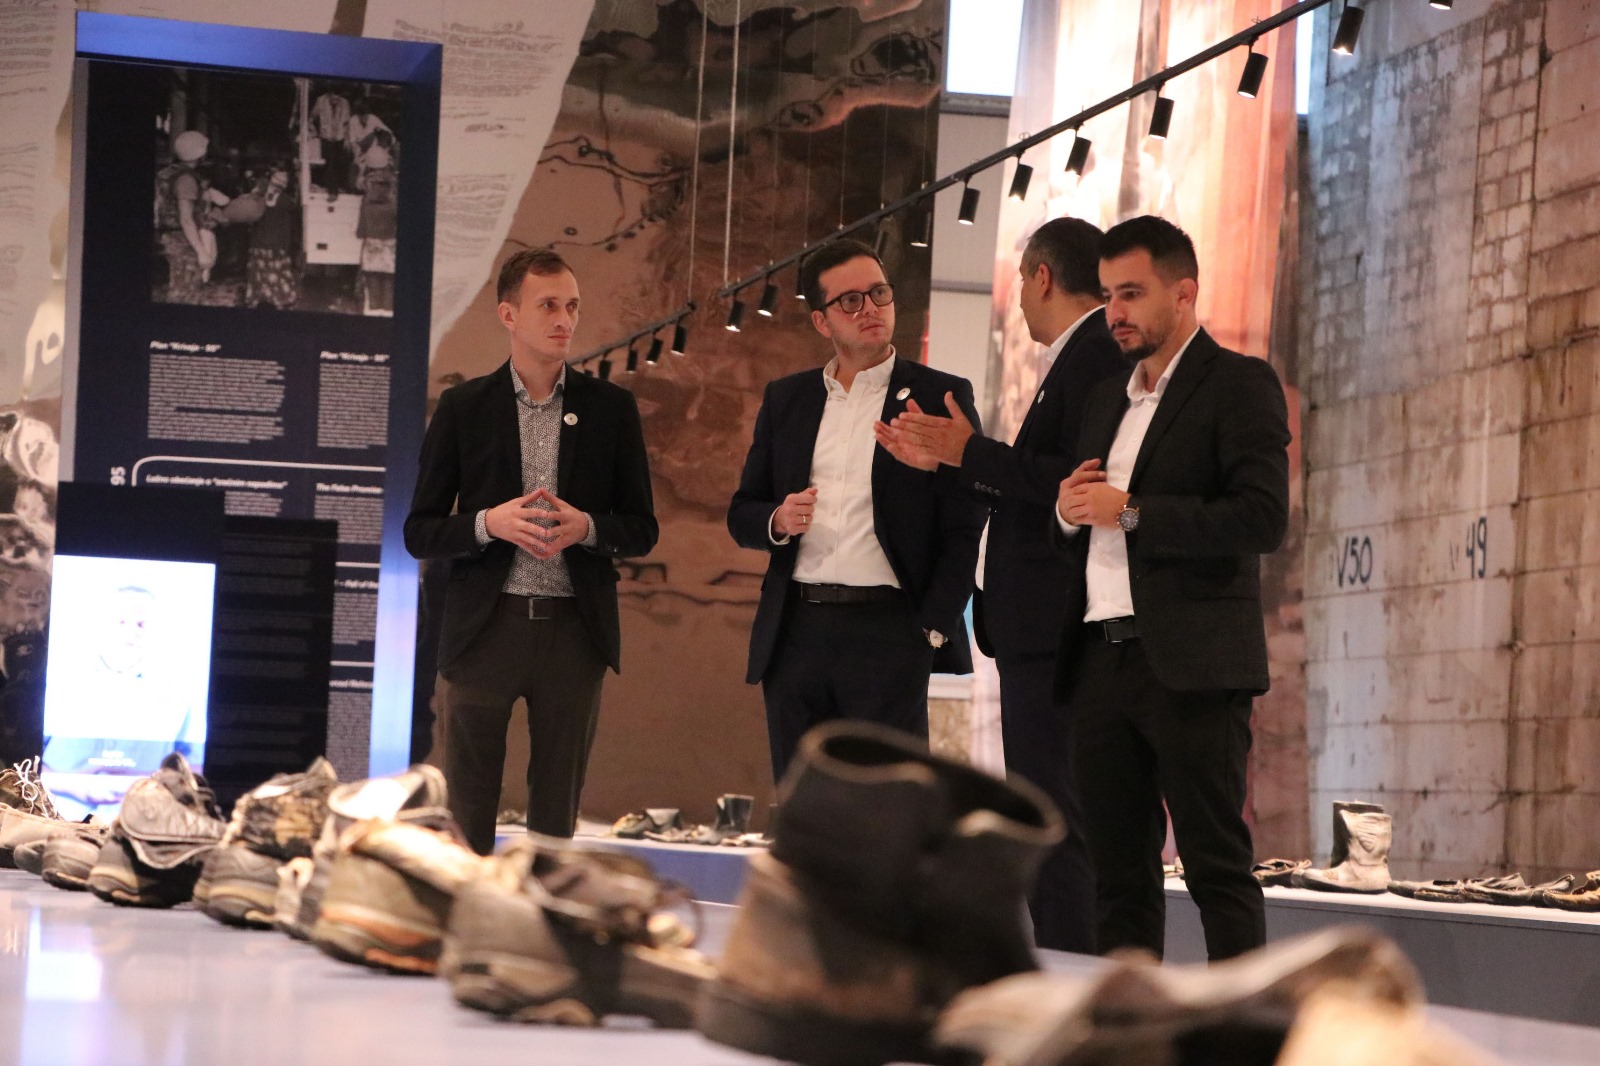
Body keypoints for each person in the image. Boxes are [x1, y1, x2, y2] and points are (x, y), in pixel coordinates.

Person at [873, 217, 1127, 954]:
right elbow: (1035, 487)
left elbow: (1075, 482)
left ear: (1043, 276)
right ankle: (1065, 961)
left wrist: (970, 453)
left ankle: (1072, 971)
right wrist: (956, 463)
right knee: (1049, 812)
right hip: (1035, 629)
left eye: (1020, 281)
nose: (1017, 298)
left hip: (1054, 627)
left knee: (1055, 817)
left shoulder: (1094, 353)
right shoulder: (1076, 357)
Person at [1053, 215, 1290, 962]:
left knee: (1216, 866)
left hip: (1193, 664)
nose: (1114, 313)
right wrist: (1067, 511)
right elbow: (1091, 518)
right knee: (1118, 877)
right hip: (1100, 659)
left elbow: (1261, 518)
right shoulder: (1106, 400)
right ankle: (1129, 1021)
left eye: (1131, 293)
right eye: (1106, 296)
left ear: (1184, 293)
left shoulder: (1239, 385)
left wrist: (1129, 511)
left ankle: (1240, 1022)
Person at [403, 248, 657, 854]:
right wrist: (487, 523)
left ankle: (543, 912)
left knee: (555, 820)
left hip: (574, 635)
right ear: (509, 314)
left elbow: (642, 529)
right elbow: (420, 532)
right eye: (548, 305)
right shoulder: (464, 408)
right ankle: (470, 910)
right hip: (483, 632)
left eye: (572, 306)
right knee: (467, 814)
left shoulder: (611, 409)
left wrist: (587, 527)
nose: (564, 319)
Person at [727, 239, 986, 781]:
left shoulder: (940, 395)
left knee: (886, 804)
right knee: (800, 798)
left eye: (879, 293)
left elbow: (965, 524)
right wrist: (777, 520)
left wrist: (932, 629)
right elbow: (743, 511)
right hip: (796, 631)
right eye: (850, 300)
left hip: (891, 632)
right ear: (822, 321)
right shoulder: (787, 400)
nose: (870, 308)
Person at [155, 131, 216, 303]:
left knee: (180, 284)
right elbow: (186, 219)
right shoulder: (186, 180)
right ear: (199, 154)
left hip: (170, 235)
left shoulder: (167, 173)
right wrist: (201, 252)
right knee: (185, 291)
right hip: (183, 238)